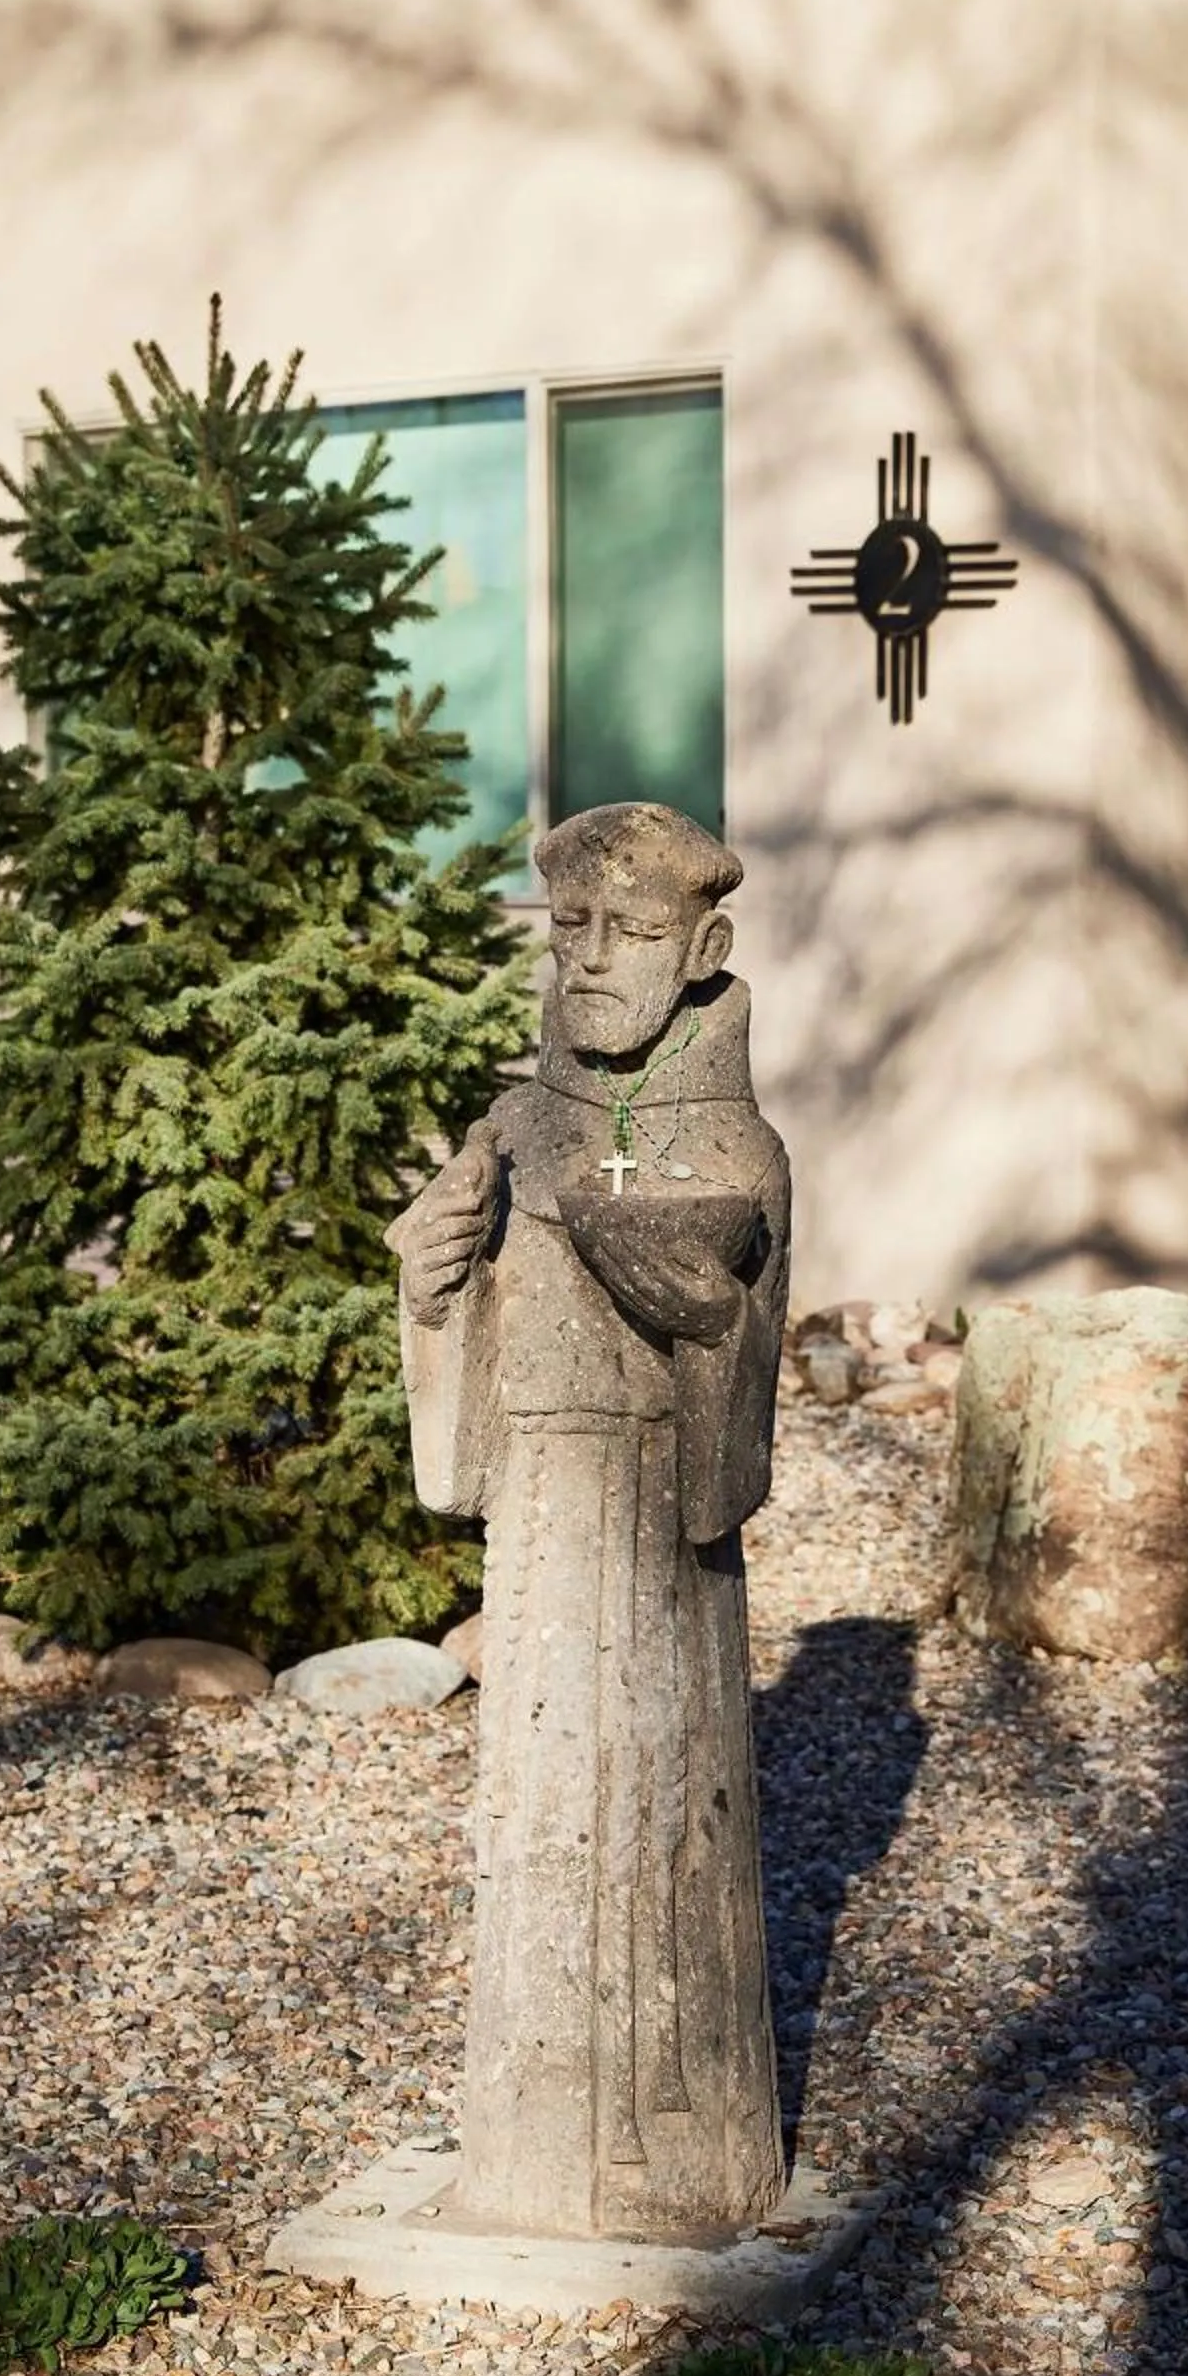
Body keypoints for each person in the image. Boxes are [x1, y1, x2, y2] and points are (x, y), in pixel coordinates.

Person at [387, 802, 790, 2241]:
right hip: (545, 1530)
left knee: (665, 1816)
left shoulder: (739, 1142)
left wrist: (704, 1310)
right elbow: (462, 1375)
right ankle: (530, 2153)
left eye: (633, 931)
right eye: (573, 928)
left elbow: (738, 1381)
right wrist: (432, 1283)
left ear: (704, 949)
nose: (595, 958)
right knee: (545, 1827)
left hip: (657, 1535)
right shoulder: (514, 1127)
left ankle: (677, 2156)